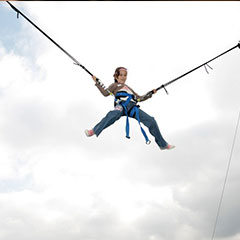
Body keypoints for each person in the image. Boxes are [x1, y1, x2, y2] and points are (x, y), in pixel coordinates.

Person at [85, 67, 175, 150]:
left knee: (151, 121)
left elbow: (140, 98)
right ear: (116, 76)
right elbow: (105, 93)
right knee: (113, 114)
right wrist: (97, 82)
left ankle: (163, 144)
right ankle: (94, 130)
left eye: (125, 75)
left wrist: (150, 93)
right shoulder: (114, 85)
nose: (123, 77)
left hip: (132, 108)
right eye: (121, 75)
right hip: (122, 105)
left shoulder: (129, 88)